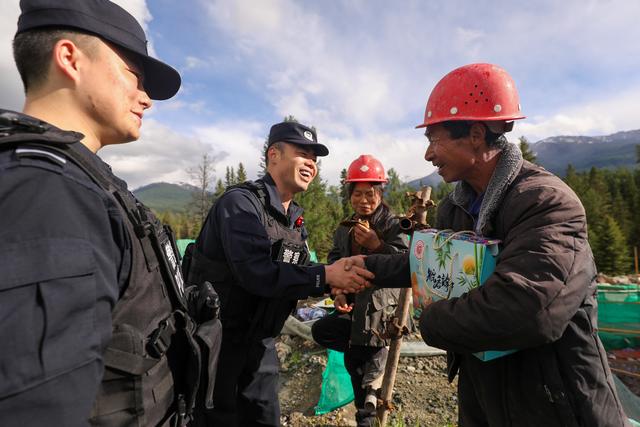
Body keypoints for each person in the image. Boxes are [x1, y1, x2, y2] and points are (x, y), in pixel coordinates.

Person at [354, 63, 629, 426]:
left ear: (476, 134)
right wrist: (362, 269)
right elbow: (430, 264)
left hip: (556, 403)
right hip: (484, 395)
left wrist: (430, 319)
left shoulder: (545, 202)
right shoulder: (456, 206)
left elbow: (528, 310)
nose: (428, 155)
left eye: (434, 140)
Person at [0, 1, 220, 426]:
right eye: (134, 75)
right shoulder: (47, 192)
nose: (146, 99)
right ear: (69, 58)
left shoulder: (83, 182)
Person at [183, 121, 375, 426]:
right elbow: (256, 273)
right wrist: (325, 276)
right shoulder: (241, 205)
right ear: (274, 154)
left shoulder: (294, 220)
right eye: (303, 153)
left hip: (261, 345)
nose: (311, 164)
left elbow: (299, 271)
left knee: (264, 417)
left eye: (315, 158)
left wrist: (336, 282)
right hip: (219, 346)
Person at [311, 154, 408, 427]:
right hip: (354, 308)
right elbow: (334, 261)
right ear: (349, 195)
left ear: (380, 193)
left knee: (366, 375)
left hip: (382, 311)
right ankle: (364, 378)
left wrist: (378, 245)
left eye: (370, 194)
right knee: (324, 332)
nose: (363, 200)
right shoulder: (345, 227)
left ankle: (367, 413)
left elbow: (406, 263)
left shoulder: (393, 225)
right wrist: (338, 293)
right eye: (357, 194)